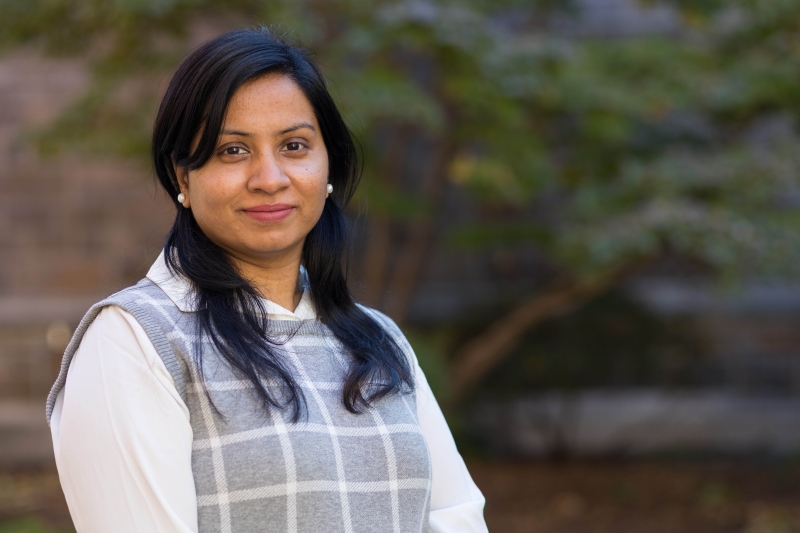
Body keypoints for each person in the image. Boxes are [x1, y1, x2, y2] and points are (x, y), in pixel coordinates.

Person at [46, 27, 488, 533]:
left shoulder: (378, 338)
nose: (269, 177)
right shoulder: (133, 341)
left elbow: (455, 518)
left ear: (327, 166)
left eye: (294, 145)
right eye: (233, 151)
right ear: (182, 177)